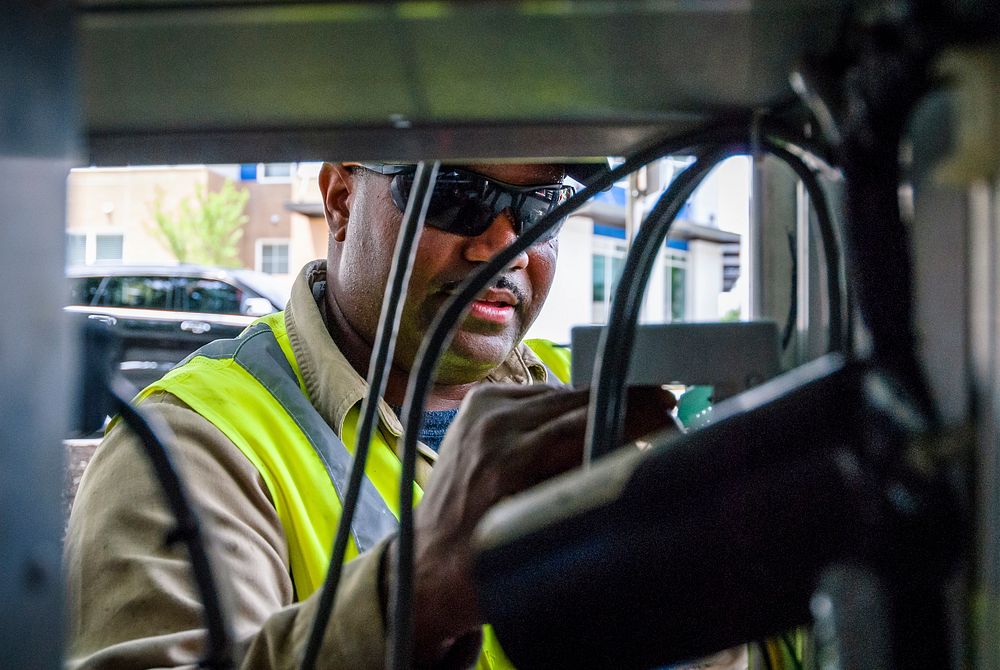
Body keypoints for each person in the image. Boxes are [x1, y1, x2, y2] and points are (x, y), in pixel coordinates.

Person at [64, 160, 681, 670]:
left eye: (541, 206)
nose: (504, 245)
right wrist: (413, 597)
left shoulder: (590, 393)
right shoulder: (190, 444)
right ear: (338, 200)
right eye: (453, 194)